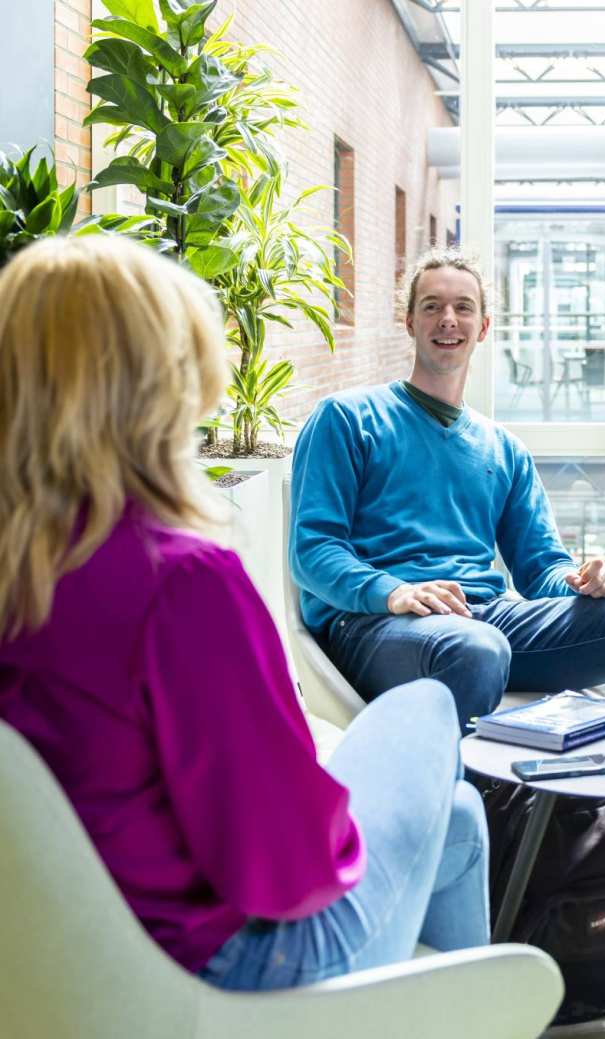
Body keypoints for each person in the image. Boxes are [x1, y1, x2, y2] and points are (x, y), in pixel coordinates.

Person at [0, 235, 489, 991]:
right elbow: (288, 870)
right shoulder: (178, 578)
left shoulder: (27, 564)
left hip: (60, 961)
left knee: (457, 817)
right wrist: (330, 792)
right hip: (220, 967)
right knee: (426, 710)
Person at [288, 247, 605, 975]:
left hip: (488, 620)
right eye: (434, 305)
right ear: (407, 319)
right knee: (474, 649)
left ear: (483, 327)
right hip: (381, 624)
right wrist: (392, 590)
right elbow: (313, 548)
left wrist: (583, 576)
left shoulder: (500, 447)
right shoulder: (348, 420)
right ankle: (471, 886)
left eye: (463, 307)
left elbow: (539, 567)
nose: (448, 318)